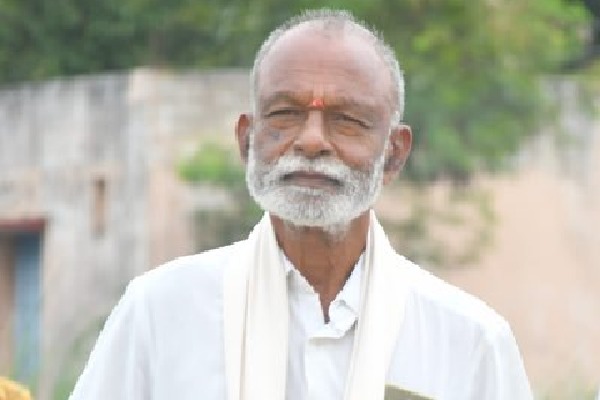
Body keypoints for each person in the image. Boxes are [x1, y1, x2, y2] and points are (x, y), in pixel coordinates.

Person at [69, 9, 533, 400]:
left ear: (393, 154)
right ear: (247, 139)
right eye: (285, 114)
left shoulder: (468, 341)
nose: (311, 141)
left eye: (346, 120)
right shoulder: (160, 312)